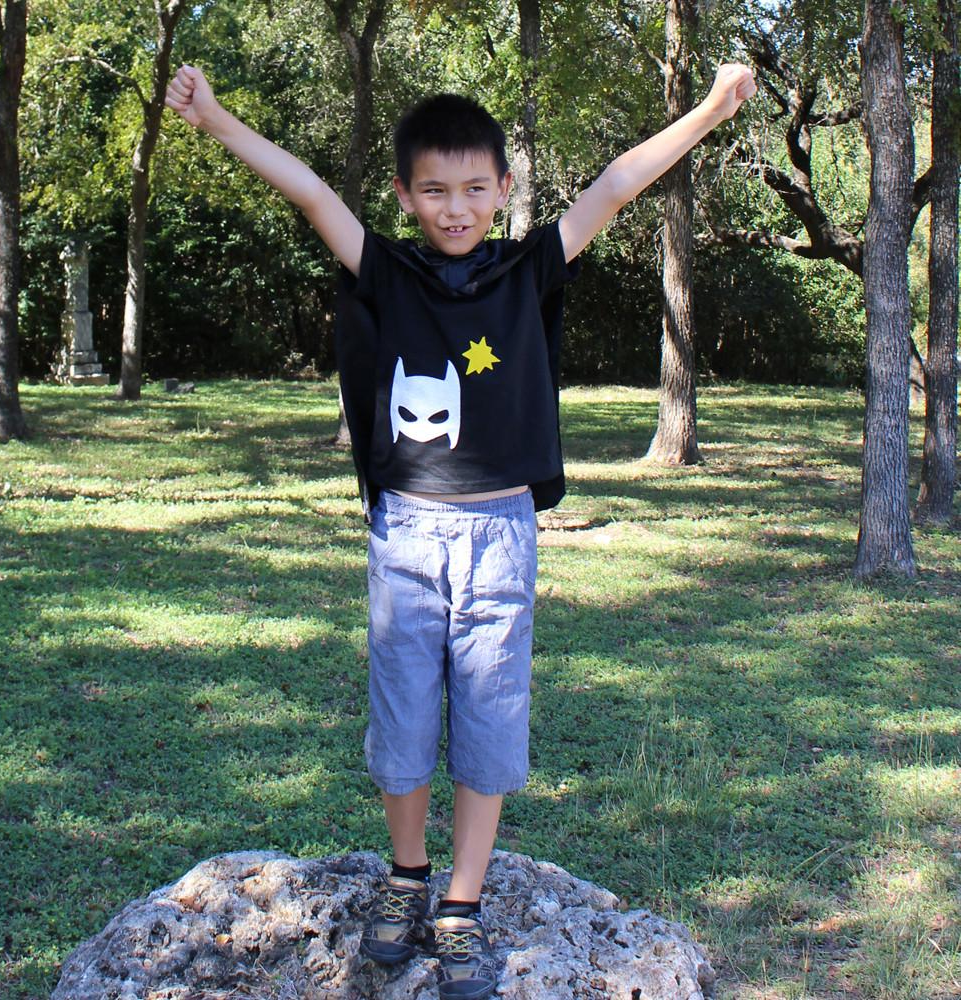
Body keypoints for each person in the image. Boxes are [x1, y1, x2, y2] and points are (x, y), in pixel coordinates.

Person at [165, 61, 755, 1000]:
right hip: (407, 536)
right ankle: (406, 881)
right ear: (404, 195)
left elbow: (614, 182)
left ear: (503, 191)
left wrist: (712, 110)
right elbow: (311, 189)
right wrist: (218, 119)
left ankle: (461, 906)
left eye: (475, 189)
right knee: (402, 723)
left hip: (500, 534)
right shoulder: (387, 272)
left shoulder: (529, 270)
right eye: (434, 191)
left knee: (489, 724)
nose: (455, 208)